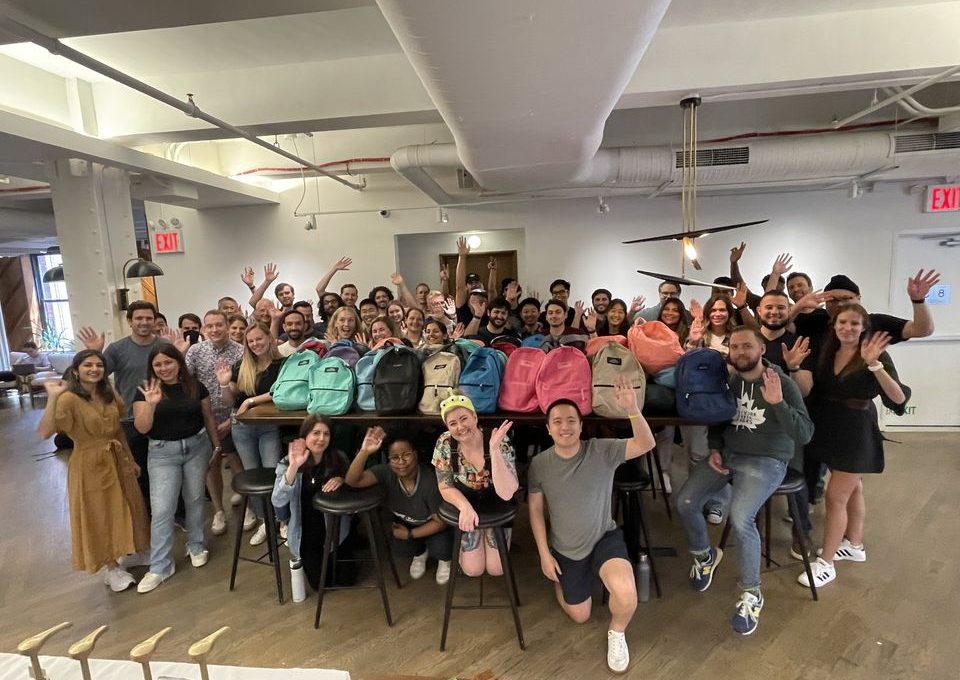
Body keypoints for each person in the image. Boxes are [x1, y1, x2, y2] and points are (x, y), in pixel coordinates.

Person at [676, 327, 813, 635]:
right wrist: (715, 447)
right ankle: (704, 555)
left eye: (747, 346)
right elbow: (718, 419)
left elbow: (804, 434)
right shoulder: (728, 382)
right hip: (730, 455)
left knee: (740, 518)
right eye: (734, 347)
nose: (740, 352)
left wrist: (777, 402)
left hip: (768, 459)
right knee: (685, 501)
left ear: (761, 349)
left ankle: (752, 593)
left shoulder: (782, 383)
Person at [528, 379, 656, 673]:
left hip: (603, 538)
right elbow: (535, 510)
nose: (565, 427)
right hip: (566, 548)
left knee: (625, 593)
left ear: (581, 425)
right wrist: (544, 554)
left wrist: (633, 410)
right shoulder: (539, 464)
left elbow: (646, 444)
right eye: (557, 422)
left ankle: (617, 632)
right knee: (580, 616)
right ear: (548, 429)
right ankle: (565, 582)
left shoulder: (601, 451)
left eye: (571, 420)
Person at [798, 304, 909, 589]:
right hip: (830, 426)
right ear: (834, 325)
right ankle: (855, 544)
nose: (847, 328)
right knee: (853, 488)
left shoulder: (874, 354)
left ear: (864, 327)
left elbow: (897, 398)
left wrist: (875, 365)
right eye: (842, 323)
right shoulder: (827, 350)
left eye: (854, 324)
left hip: (856, 432)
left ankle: (827, 562)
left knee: (836, 498)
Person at [36, 350, 150, 592]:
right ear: (76, 370)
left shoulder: (108, 394)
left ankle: (128, 549)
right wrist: (53, 398)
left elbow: (118, 430)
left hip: (116, 456)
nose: (94, 369)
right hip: (89, 463)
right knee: (99, 513)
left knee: (127, 504)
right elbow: (45, 432)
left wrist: (130, 459)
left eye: (99, 365)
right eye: (88, 365)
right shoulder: (68, 399)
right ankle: (110, 567)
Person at [78, 300, 185, 511]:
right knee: (139, 473)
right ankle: (146, 517)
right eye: (139, 318)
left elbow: (180, 377)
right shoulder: (117, 349)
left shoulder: (164, 346)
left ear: (155, 321)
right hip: (129, 419)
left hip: (164, 418)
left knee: (171, 472)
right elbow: (94, 378)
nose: (144, 322)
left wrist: (180, 352)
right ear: (130, 321)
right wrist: (95, 354)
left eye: (148, 318)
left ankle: (176, 514)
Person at [133, 344, 221, 593]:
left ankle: (195, 544)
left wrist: (216, 446)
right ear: (152, 367)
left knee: (194, 499)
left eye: (168, 362)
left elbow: (208, 417)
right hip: (162, 453)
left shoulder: (194, 385)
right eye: (158, 364)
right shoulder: (146, 389)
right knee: (162, 509)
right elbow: (141, 428)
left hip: (197, 447)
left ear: (178, 363)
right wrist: (150, 404)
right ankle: (160, 566)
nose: (164, 368)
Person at [345, 429, 453, 584]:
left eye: (406, 455)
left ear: (415, 454)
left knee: (442, 548)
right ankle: (420, 552)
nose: (401, 462)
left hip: (436, 525)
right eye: (394, 457)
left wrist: (410, 534)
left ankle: (444, 559)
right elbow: (352, 481)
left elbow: (440, 522)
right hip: (409, 522)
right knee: (399, 548)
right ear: (388, 460)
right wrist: (364, 451)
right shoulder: (385, 473)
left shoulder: (429, 480)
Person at [432, 395, 518, 577]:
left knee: (497, 569)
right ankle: (477, 533)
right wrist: (465, 507)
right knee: (472, 570)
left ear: (474, 417)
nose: (460, 427)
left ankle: (490, 532)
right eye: (453, 423)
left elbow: (507, 493)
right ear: (447, 427)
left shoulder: (498, 441)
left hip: (497, 501)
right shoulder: (445, 443)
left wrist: (494, 451)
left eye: (464, 419)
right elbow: (445, 487)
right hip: (467, 498)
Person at [218, 323, 285, 546]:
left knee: (274, 473)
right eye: (251, 341)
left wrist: (251, 400)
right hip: (242, 427)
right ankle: (265, 520)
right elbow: (229, 401)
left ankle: (281, 518)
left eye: (259, 339)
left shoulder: (281, 364)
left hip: (268, 426)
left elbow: (280, 392)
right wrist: (224, 384)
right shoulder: (241, 366)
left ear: (269, 338)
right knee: (253, 474)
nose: (255, 344)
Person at [272, 415, 352, 590]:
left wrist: (342, 480)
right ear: (305, 435)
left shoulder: (338, 458)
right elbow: (277, 500)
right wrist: (293, 467)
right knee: (320, 584)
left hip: (336, 532)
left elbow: (354, 490)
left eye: (326, 434)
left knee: (347, 580)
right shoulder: (288, 462)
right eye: (316, 433)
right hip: (306, 533)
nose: (321, 439)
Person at [184, 310, 245, 537]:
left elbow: (245, 388)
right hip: (206, 418)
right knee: (212, 465)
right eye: (209, 326)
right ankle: (219, 510)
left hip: (235, 416)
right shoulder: (195, 351)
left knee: (238, 462)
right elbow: (186, 382)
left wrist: (232, 420)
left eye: (219, 325)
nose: (214, 330)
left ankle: (247, 506)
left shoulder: (240, 351)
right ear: (203, 329)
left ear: (227, 325)